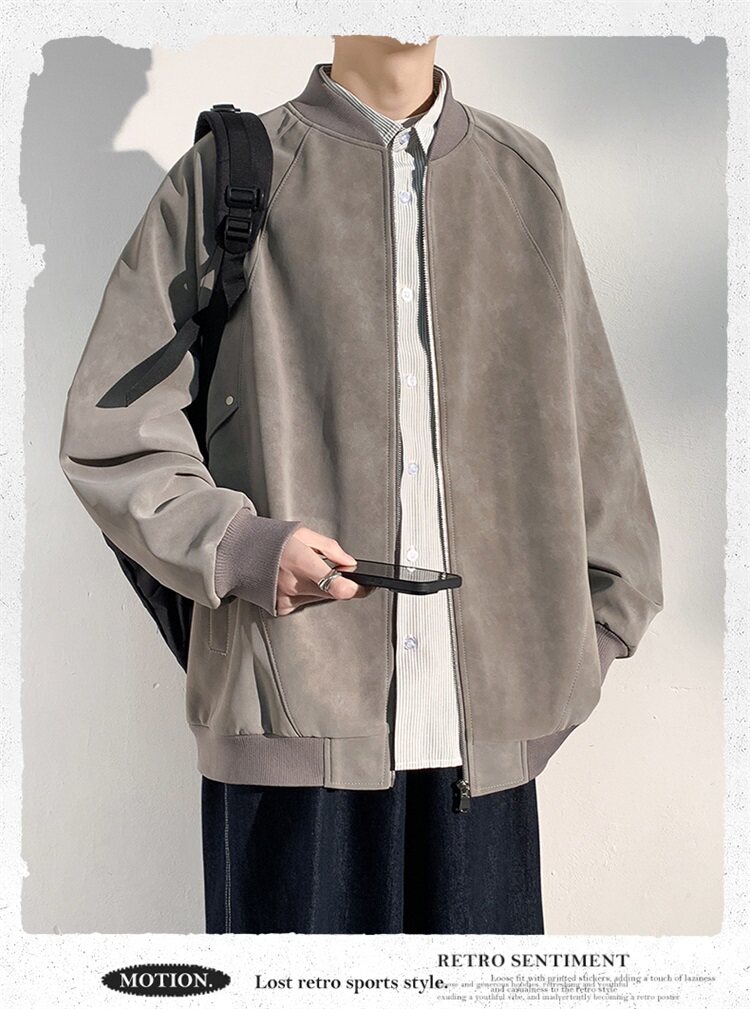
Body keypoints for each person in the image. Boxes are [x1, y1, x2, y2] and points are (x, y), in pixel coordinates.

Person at [59, 34, 663, 934]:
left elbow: (597, 444)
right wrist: (242, 546)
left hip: (484, 768)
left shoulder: (522, 176)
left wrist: (574, 650)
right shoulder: (227, 175)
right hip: (290, 740)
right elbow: (112, 428)